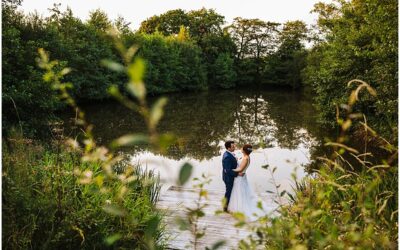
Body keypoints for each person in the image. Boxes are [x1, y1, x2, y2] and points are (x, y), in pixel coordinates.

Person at [228, 144, 267, 221]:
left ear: (244, 150)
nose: (241, 148)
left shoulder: (246, 158)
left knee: (240, 192)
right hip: (241, 177)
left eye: (242, 147)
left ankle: (240, 209)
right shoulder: (246, 157)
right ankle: (237, 208)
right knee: (240, 192)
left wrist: (230, 170)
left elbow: (240, 169)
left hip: (240, 178)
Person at [222, 140, 244, 212]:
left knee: (229, 191)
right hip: (228, 177)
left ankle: (227, 206)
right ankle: (225, 208)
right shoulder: (227, 157)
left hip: (229, 176)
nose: (234, 147)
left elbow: (231, 165)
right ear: (228, 148)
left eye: (234, 145)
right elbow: (228, 170)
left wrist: (236, 160)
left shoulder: (229, 154)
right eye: (233, 146)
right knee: (228, 192)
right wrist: (238, 174)